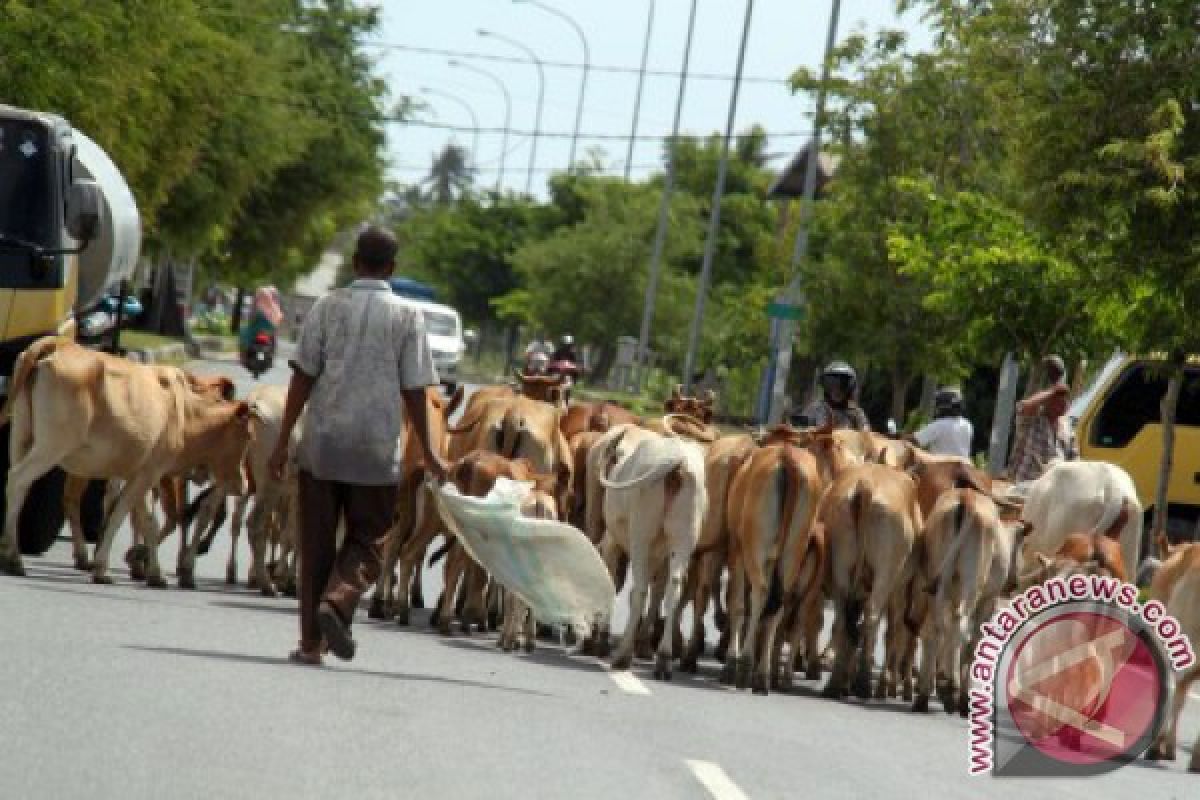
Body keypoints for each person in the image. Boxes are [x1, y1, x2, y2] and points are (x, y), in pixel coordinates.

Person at [269, 228, 449, 667]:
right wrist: (429, 450)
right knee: (370, 541)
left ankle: (311, 643)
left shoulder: (328, 308)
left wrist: (281, 441)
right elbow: (415, 391)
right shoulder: (408, 317)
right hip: (376, 449)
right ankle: (338, 601)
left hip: (322, 445)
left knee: (314, 545)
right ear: (392, 268)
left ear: (354, 262)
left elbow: (303, 376)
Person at [1007, 354, 1076, 484]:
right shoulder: (1033, 419)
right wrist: (1052, 391)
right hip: (1024, 486)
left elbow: (1074, 460)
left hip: (1051, 491)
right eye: (1058, 399)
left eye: (1065, 399)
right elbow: (1023, 407)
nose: (1064, 402)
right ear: (1047, 402)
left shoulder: (1067, 427)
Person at [790, 360, 870, 431]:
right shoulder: (815, 409)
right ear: (825, 385)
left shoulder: (856, 413)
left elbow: (866, 435)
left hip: (847, 447)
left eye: (843, 384)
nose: (837, 390)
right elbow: (800, 433)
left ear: (850, 387)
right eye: (831, 383)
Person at [907, 386, 974, 459]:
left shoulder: (939, 425)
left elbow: (915, 440)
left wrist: (898, 437)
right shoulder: (967, 424)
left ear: (944, 406)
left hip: (943, 466)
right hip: (964, 464)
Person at [240, 286, 283, 357]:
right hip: (267, 327)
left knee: (246, 333)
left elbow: (252, 314)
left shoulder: (259, 299)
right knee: (273, 336)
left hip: (261, 327)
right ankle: (271, 353)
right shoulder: (274, 304)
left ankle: (244, 353)